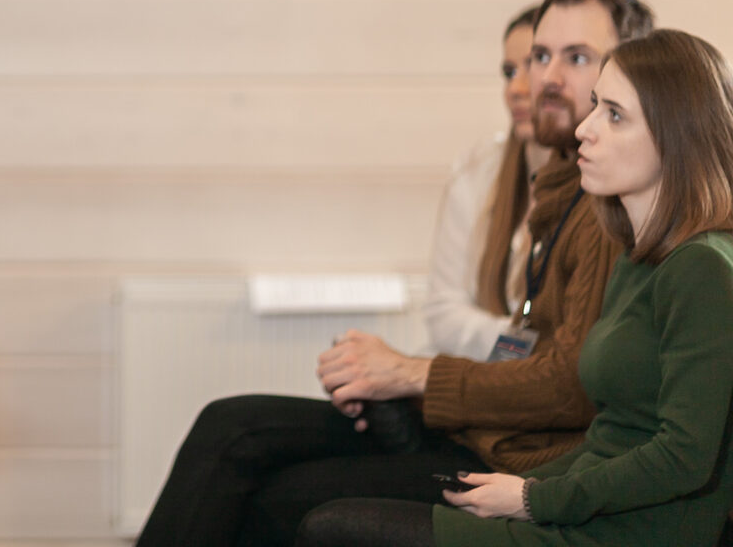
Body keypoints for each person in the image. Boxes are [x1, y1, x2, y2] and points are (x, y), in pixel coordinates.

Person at [132, 0, 650, 547]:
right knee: (231, 427)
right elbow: (528, 351)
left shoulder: (609, 203)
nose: (545, 78)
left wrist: (410, 373)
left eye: (577, 58)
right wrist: (402, 385)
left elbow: (570, 386)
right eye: (540, 56)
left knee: (271, 498)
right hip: (487, 432)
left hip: (516, 464)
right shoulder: (560, 186)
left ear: (628, 76)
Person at [297, 28, 733, 547]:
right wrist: (517, 488)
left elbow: (684, 458)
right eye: (596, 105)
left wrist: (532, 499)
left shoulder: (701, 267)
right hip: (585, 509)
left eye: (614, 116)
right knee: (333, 512)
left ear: (676, 135)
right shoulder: (640, 258)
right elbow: (609, 438)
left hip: (630, 532)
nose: (585, 129)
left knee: (331, 529)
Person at [424, 5, 553, 361]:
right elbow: (443, 314)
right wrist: (519, 345)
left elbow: (564, 345)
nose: (515, 88)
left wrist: (516, 345)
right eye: (509, 72)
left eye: (533, 65)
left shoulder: (598, 178)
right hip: (483, 374)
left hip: (536, 381)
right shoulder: (477, 170)